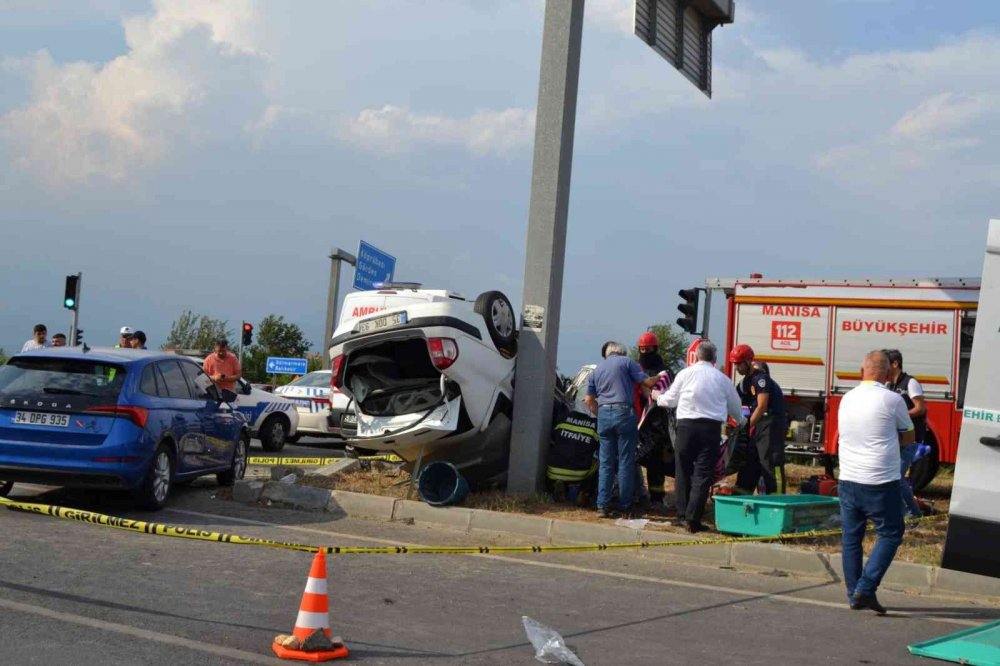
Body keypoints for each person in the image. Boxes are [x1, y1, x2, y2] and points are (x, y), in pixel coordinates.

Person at [837, 350, 914, 615]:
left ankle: (853, 593)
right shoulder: (893, 400)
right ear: (888, 374)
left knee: (851, 538)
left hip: (848, 478)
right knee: (891, 532)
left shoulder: (846, 398)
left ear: (863, 371)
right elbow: (908, 437)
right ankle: (866, 588)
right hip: (880, 480)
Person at [655, 341, 745, 532]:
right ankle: (693, 519)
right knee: (703, 474)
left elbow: (669, 401)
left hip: (686, 427)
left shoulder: (685, 373)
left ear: (696, 356)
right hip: (710, 429)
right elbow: (736, 409)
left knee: (683, 470)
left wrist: (657, 396)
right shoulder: (722, 379)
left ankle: (681, 514)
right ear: (714, 359)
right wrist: (745, 423)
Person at [584, 341, 660, 518]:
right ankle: (624, 505)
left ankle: (602, 505)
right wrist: (659, 376)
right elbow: (647, 382)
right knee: (626, 460)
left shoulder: (597, 369)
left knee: (606, 462)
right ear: (622, 352)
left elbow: (588, 399)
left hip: (603, 414)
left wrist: (600, 412)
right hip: (624, 413)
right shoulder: (627, 362)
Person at [731, 345, 787, 494]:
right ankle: (741, 495)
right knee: (750, 461)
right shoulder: (743, 384)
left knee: (770, 461)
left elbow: (762, 407)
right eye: (734, 364)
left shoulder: (761, 379)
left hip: (771, 423)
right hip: (757, 424)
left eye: (738, 363)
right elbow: (741, 407)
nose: (736, 367)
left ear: (748, 361)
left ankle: (777, 499)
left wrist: (745, 426)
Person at [884, 349, 926, 519]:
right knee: (892, 478)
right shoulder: (888, 385)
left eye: (886, 363)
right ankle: (900, 513)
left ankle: (914, 514)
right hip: (895, 438)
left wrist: (901, 414)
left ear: (895, 364)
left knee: (897, 479)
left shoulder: (910, 382)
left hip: (910, 438)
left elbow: (920, 407)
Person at [635, 331, 673, 507]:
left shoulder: (665, 372)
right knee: (635, 459)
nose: (644, 352)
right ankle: (637, 493)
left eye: (647, 349)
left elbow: (667, 392)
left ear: (655, 349)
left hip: (658, 423)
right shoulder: (635, 368)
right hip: (638, 421)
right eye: (642, 349)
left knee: (656, 463)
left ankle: (656, 498)